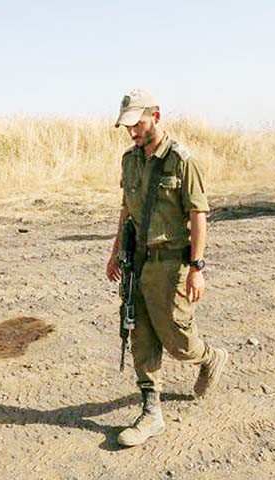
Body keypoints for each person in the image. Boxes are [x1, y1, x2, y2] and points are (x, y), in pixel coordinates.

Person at [106, 89, 229, 447]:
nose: (132, 132)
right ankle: (150, 413)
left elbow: (198, 214)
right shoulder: (130, 160)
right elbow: (126, 209)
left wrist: (197, 267)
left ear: (156, 117)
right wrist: (115, 252)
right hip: (138, 261)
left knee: (176, 338)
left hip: (170, 262)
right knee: (138, 332)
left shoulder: (181, 161)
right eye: (127, 127)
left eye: (138, 124)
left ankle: (208, 357)